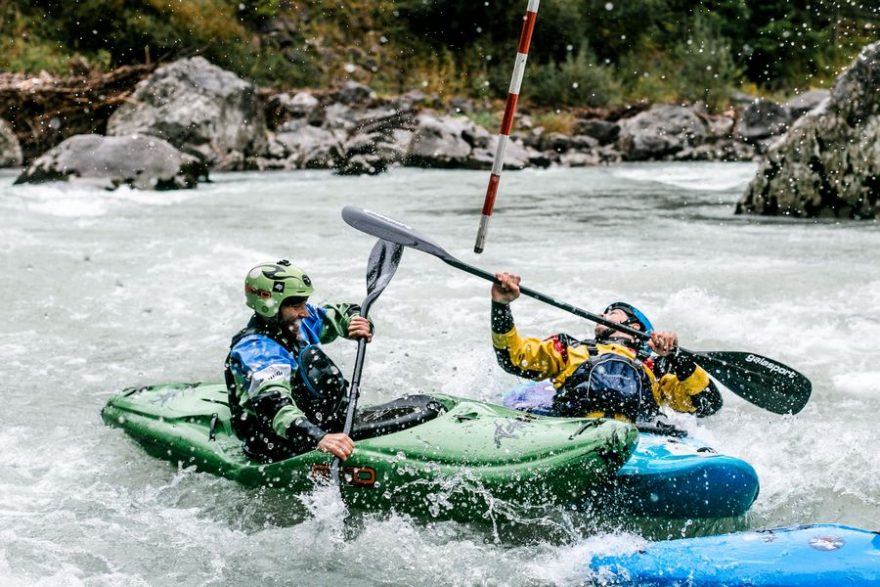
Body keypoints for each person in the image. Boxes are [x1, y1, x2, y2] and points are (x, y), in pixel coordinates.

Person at [490, 272, 722, 422]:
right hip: (573, 431)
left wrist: (677, 357)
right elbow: (513, 358)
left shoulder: (655, 368)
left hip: (637, 437)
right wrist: (501, 306)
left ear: (636, 326)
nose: (601, 315)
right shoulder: (569, 349)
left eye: (612, 313)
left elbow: (707, 404)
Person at [224, 260, 372, 462]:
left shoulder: (296, 322)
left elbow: (340, 313)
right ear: (270, 306)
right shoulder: (257, 350)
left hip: (312, 422)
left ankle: (334, 424)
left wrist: (356, 322)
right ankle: (328, 431)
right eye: (296, 305)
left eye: (303, 302)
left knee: (312, 359)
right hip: (274, 443)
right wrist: (318, 437)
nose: (305, 311)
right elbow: (273, 406)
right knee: (313, 360)